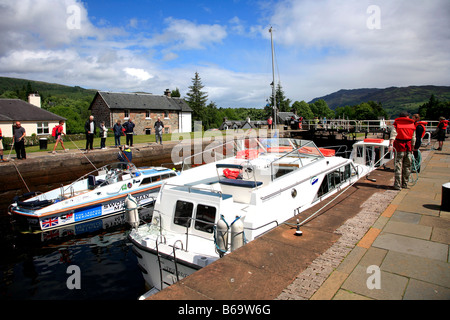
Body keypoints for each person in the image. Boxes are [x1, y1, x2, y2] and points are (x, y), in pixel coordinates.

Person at [388, 111, 416, 190]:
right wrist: (412, 148)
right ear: (407, 116)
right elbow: (414, 138)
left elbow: (393, 135)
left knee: (398, 166)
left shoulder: (396, 124)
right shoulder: (412, 124)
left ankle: (397, 185)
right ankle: (405, 184)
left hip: (399, 147)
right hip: (409, 147)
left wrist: (390, 145)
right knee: (407, 166)